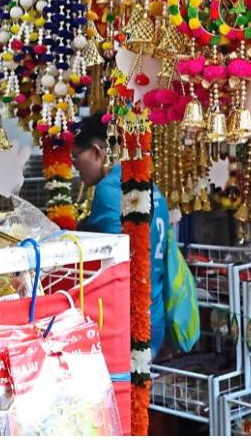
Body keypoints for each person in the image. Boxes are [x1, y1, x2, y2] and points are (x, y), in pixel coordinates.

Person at [72, 114, 170, 357]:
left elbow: (112, 259)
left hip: (128, 320)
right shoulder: (149, 185)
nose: (76, 166)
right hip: (154, 314)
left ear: (96, 151)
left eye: (76, 157)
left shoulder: (108, 189)